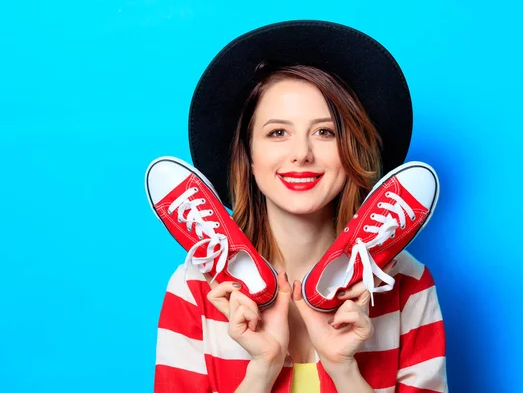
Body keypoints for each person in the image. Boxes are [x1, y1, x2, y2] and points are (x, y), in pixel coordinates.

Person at [151, 20, 448, 393]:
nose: (301, 154)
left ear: (351, 150)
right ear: (249, 155)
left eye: (325, 132)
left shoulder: (407, 285)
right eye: (277, 133)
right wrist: (263, 368)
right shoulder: (197, 288)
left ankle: (347, 269)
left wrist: (344, 370)